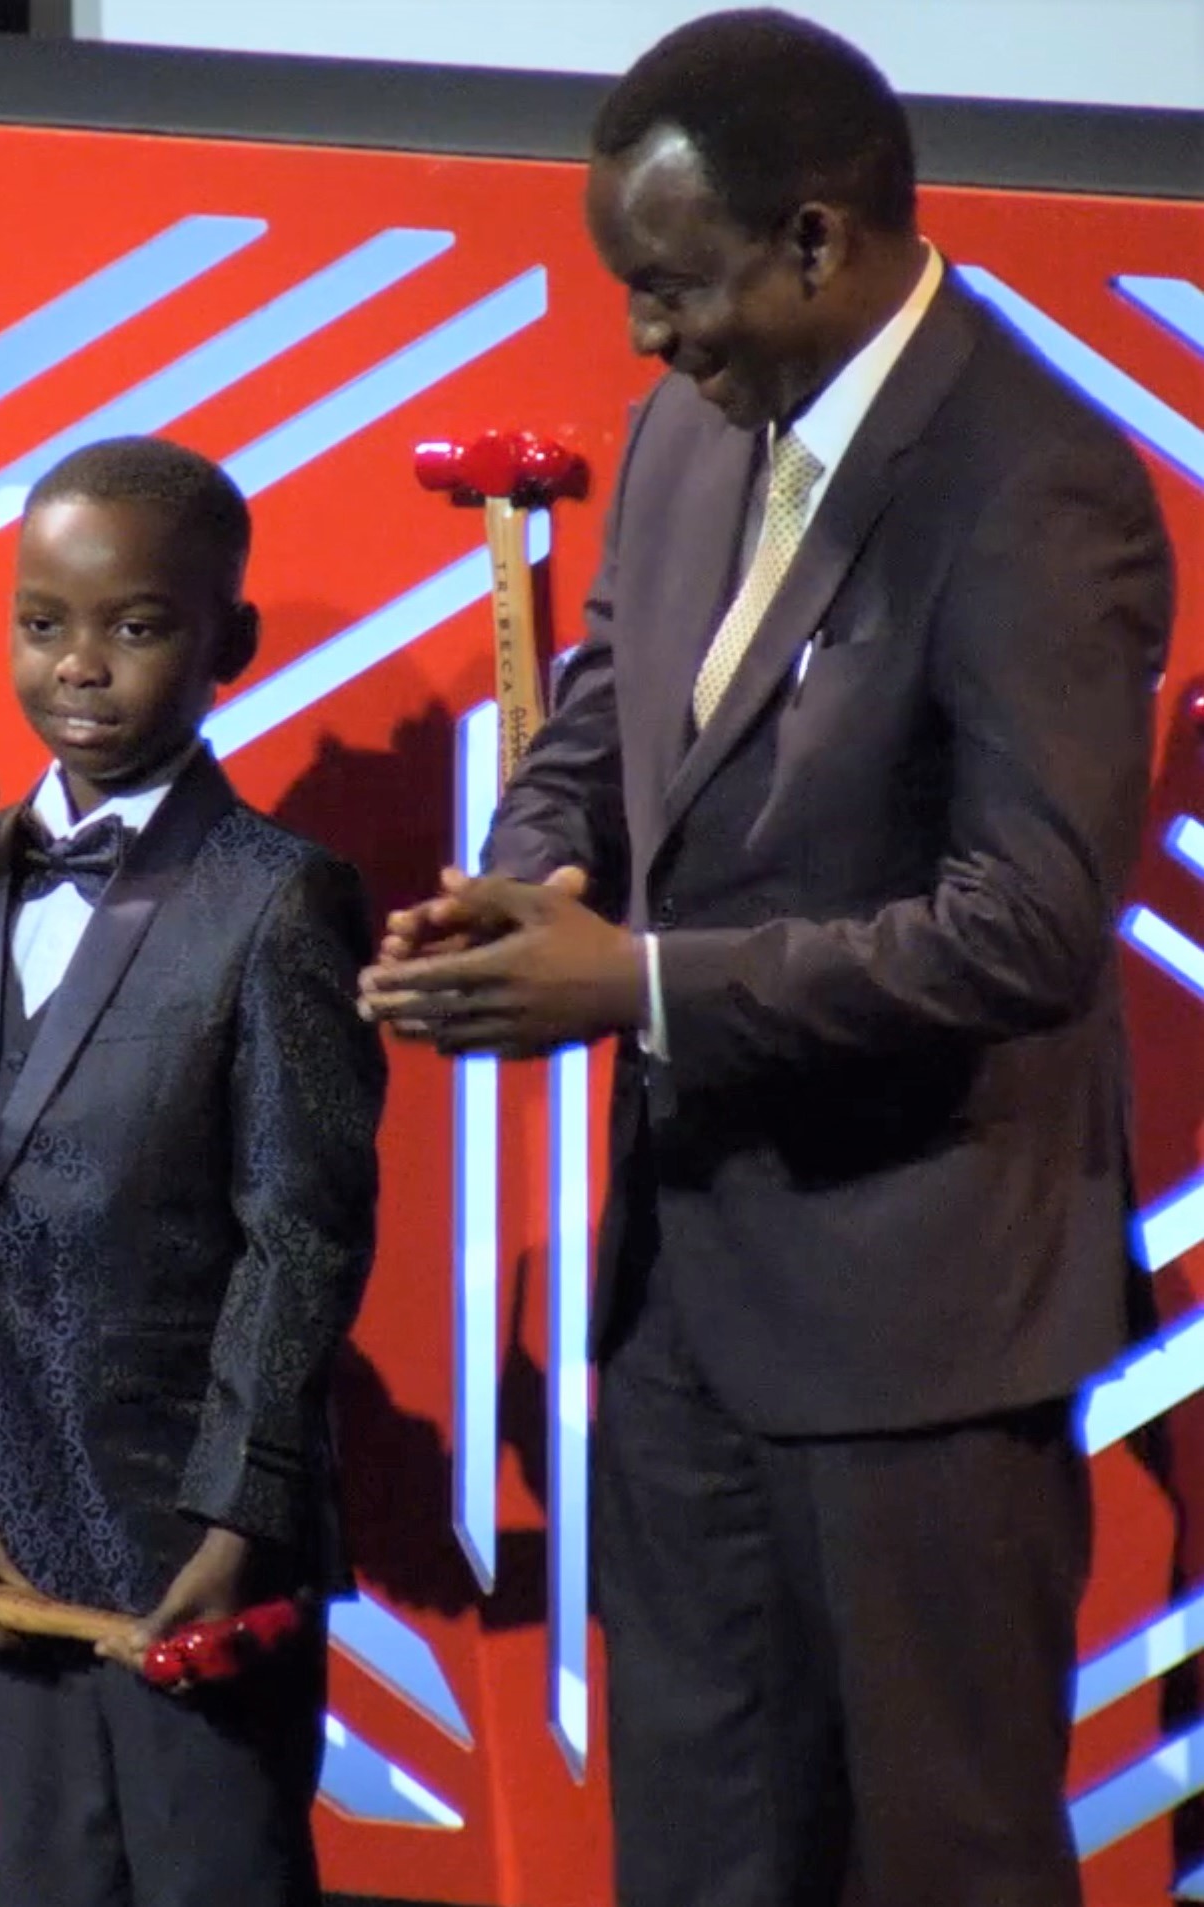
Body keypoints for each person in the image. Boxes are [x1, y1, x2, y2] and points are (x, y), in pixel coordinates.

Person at [360, 11, 1175, 1906]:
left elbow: (1028, 927)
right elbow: (606, 701)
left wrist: (633, 986)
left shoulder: (1033, 489)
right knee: (706, 1851)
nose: (646, 337)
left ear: (816, 239)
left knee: (931, 1859)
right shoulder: (683, 431)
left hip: (918, 1330)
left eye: (672, 288)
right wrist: (523, 883)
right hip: (684, 1310)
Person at [0, 435, 386, 1907]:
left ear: (229, 642)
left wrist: (243, 1517)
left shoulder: (275, 899)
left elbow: (300, 1236)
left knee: (208, 1873)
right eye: (44, 624)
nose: (79, 667)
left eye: (134, 626)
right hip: (7, 1526)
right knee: (49, 1880)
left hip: (190, 1541)